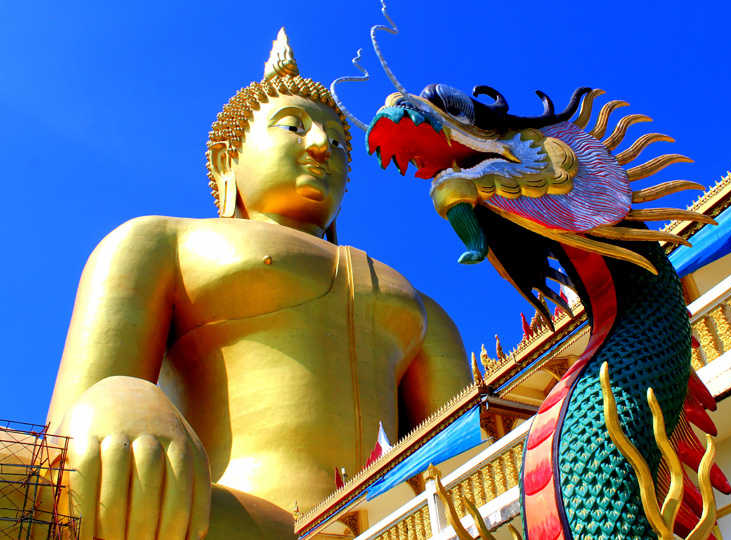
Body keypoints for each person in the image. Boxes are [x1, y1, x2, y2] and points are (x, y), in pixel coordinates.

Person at [46, 28, 470, 540]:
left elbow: (468, 457)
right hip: (229, 519)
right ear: (228, 159)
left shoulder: (419, 305)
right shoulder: (161, 242)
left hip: (399, 524)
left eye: (339, 142)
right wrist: (124, 399)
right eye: (293, 127)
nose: (322, 147)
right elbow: (66, 436)